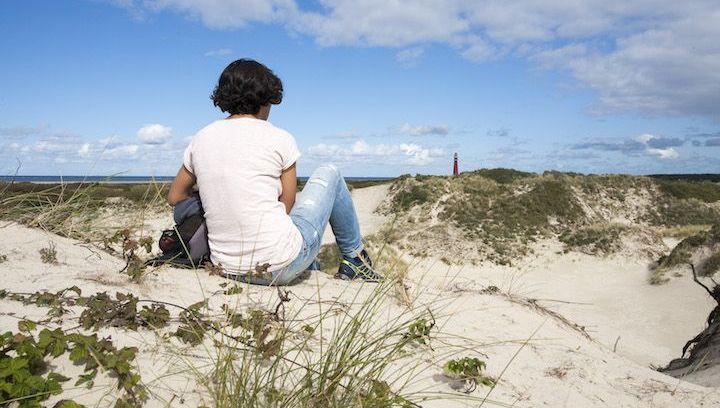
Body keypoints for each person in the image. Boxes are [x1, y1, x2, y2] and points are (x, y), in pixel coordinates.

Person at [167, 59, 383, 285]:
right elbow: (287, 204)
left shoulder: (202, 138)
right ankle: (357, 260)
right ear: (265, 99)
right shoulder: (280, 138)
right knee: (331, 172)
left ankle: (322, 265)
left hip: (227, 267)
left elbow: (175, 197)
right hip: (280, 266)